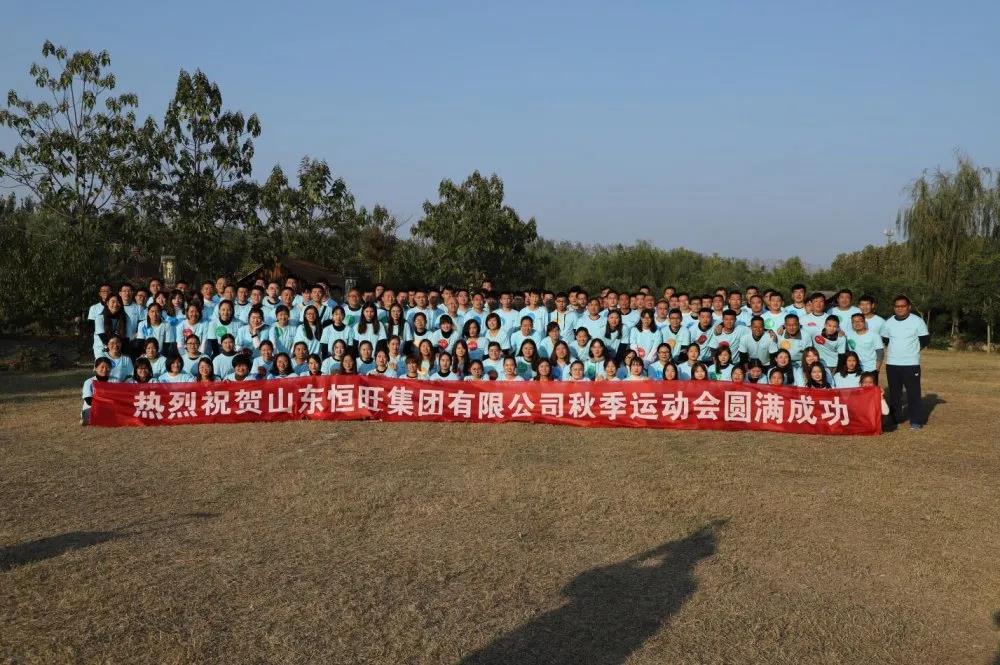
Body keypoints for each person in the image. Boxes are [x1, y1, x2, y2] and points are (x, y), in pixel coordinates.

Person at [881, 294, 930, 430]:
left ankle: (916, 421)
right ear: (894, 308)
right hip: (892, 363)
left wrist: (912, 351)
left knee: (913, 393)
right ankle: (895, 419)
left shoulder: (917, 321)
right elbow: (885, 339)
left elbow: (925, 339)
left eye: (903, 306)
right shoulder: (889, 322)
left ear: (909, 307)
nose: (900, 308)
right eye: (897, 306)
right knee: (894, 393)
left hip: (911, 364)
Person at [846, 313, 884, 380]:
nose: (857, 323)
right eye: (854, 322)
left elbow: (880, 352)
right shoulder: (849, 336)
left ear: (864, 322)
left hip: (871, 369)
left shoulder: (874, 335)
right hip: (855, 369)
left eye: (859, 321)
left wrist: (877, 368)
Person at [81, 357, 116, 424]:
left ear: (111, 368)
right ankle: (88, 418)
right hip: (93, 409)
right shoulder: (89, 382)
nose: (105, 369)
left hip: (111, 408)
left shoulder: (115, 381)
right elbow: (88, 400)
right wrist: (105, 405)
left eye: (107, 367)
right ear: (96, 368)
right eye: (102, 367)